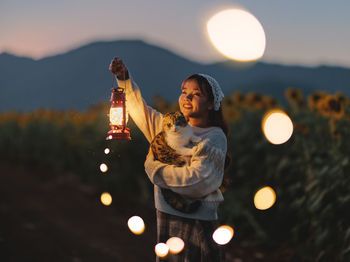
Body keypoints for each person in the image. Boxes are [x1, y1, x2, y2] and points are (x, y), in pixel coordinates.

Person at [109, 57, 229, 262]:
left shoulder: (214, 136)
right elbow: (141, 111)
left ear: (211, 104)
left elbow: (199, 181)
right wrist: (124, 80)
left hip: (198, 220)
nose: (187, 97)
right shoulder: (170, 127)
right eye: (184, 92)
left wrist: (155, 169)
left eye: (196, 94)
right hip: (166, 214)